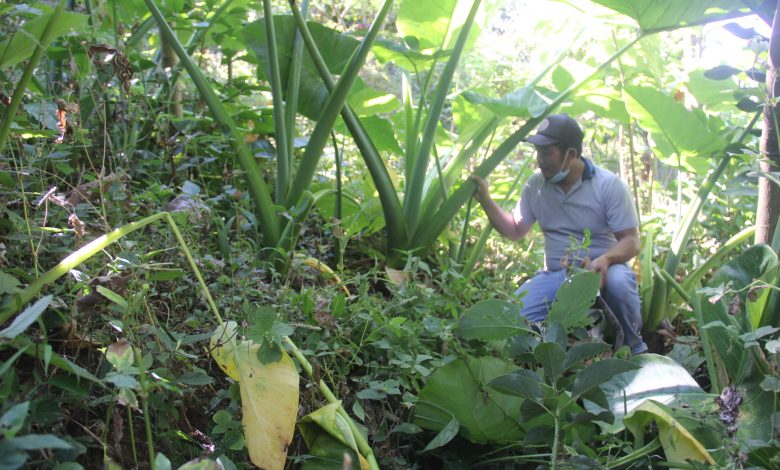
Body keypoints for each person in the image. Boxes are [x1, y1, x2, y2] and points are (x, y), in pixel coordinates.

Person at [472, 113, 648, 354]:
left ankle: (633, 348)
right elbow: (515, 230)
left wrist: (606, 259)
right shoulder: (536, 185)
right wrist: (485, 200)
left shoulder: (609, 186)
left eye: (547, 152)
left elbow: (631, 240)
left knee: (619, 282)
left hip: (602, 273)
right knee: (513, 318)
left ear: (571, 155)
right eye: (538, 152)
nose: (539, 160)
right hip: (556, 274)